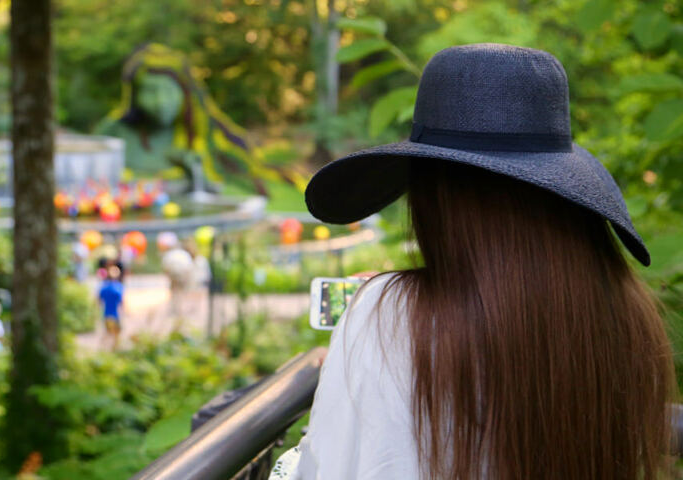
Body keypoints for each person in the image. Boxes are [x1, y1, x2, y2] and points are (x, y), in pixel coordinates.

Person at [282, 44, 674, 479]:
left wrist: (379, 313)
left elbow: (330, 468)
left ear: (434, 198)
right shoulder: (625, 316)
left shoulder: (385, 315)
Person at [98, 265, 124, 350]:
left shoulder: (104, 287)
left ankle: (103, 348)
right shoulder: (119, 287)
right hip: (115, 315)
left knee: (107, 333)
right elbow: (122, 302)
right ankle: (114, 350)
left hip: (106, 314)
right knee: (116, 335)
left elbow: (99, 301)